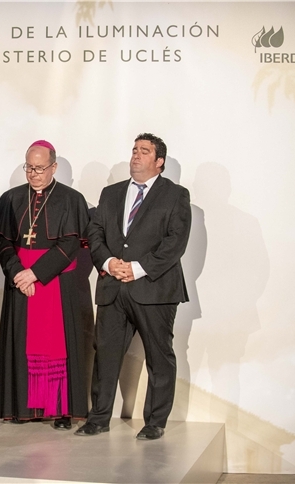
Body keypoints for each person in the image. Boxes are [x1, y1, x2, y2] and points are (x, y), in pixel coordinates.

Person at [78, 133, 191, 440]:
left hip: (154, 290)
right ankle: (98, 418)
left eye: (144, 151)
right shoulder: (111, 193)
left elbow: (175, 243)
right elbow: (96, 232)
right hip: (113, 287)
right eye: (134, 150)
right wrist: (108, 262)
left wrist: (138, 269)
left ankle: (155, 422)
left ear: (159, 162)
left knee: (159, 357)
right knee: (105, 355)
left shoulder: (176, 195)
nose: (136, 155)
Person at [0, 140, 90, 430]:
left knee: (56, 347)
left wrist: (36, 273)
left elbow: (71, 243)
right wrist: (18, 271)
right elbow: (5, 241)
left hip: (55, 282)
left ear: (54, 167)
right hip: (20, 281)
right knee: (22, 343)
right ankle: (23, 407)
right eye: (29, 168)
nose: (33, 174)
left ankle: (61, 410)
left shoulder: (71, 199)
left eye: (40, 168)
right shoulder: (10, 198)